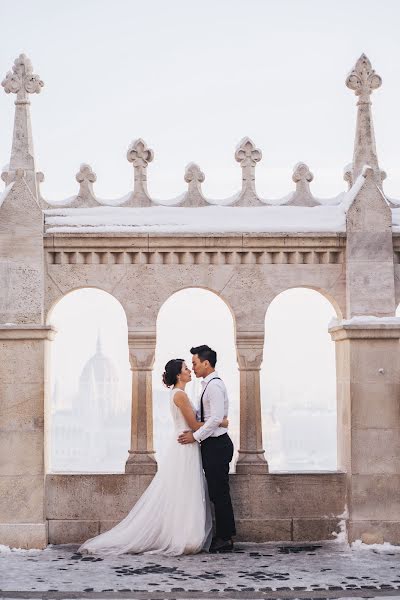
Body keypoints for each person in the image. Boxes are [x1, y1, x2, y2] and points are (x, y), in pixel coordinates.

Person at [77, 358, 228, 556]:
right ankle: (184, 536)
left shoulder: (179, 394)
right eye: (185, 368)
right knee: (186, 490)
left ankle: (184, 534)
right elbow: (193, 424)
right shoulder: (180, 395)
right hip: (185, 446)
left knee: (185, 491)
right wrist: (221, 423)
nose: (190, 370)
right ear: (178, 375)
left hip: (186, 446)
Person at [178, 345, 236, 553]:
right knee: (215, 492)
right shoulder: (208, 385)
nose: (193, 367)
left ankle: (225, 538)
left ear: (206, 363)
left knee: (219, 492)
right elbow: (215, 419)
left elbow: (215, 419)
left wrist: (195, 436)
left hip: (217, 445)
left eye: (194, 363)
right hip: (213, 444)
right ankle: (223, 535)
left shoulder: (213, 386)